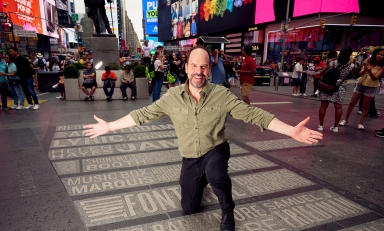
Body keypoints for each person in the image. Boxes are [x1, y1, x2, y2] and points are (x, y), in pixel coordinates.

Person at [83, 46, 323, 231]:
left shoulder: (221, 95)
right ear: (187, 67)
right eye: (194, 66)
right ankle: (202, 180)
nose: (199, 71)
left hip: (215, 148)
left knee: (217, 175)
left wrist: (291, 130)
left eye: (204, 66)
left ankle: (228, 210)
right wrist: (110, 127)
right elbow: (143, 115)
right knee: (189, 207)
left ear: (209, 69)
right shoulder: (172, 96)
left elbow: (253, 114)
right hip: (189, 156)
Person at [339, 48, 384, 130]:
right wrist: (364, 70)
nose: (379, 56)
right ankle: (345, 120)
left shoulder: (382, 66)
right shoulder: (368, 60)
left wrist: (370, 71)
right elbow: (360, 73)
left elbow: (375, 78)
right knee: (352, 102)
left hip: (371, 86)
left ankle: (361, 123)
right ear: (375, 54)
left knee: (365, 106)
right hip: (360, 84)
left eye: (382, 55)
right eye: (378, 54)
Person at [318, 47, 355, 133]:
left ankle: (320, 126)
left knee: (323, 106)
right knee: (338, 107)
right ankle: (335, 127)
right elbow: (350, 76)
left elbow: (321, 73)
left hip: (327, 86)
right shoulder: (351, 65)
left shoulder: (332, 62)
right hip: (340, 87)